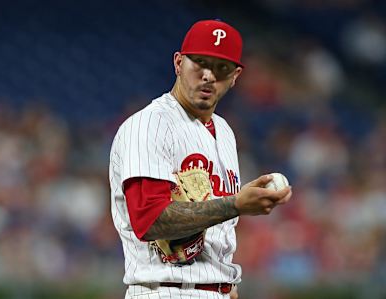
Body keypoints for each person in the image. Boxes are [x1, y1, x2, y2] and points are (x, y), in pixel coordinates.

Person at [109, 19, 292, 299]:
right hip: (165, 291)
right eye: (200, 63)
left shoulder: (225, 132)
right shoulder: (149, 124)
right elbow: (149, 220)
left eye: (221, 67)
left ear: (235, 75)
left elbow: (218, 230)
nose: (208, 75)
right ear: (179, 63)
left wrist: (223, 283)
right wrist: (236, 204)